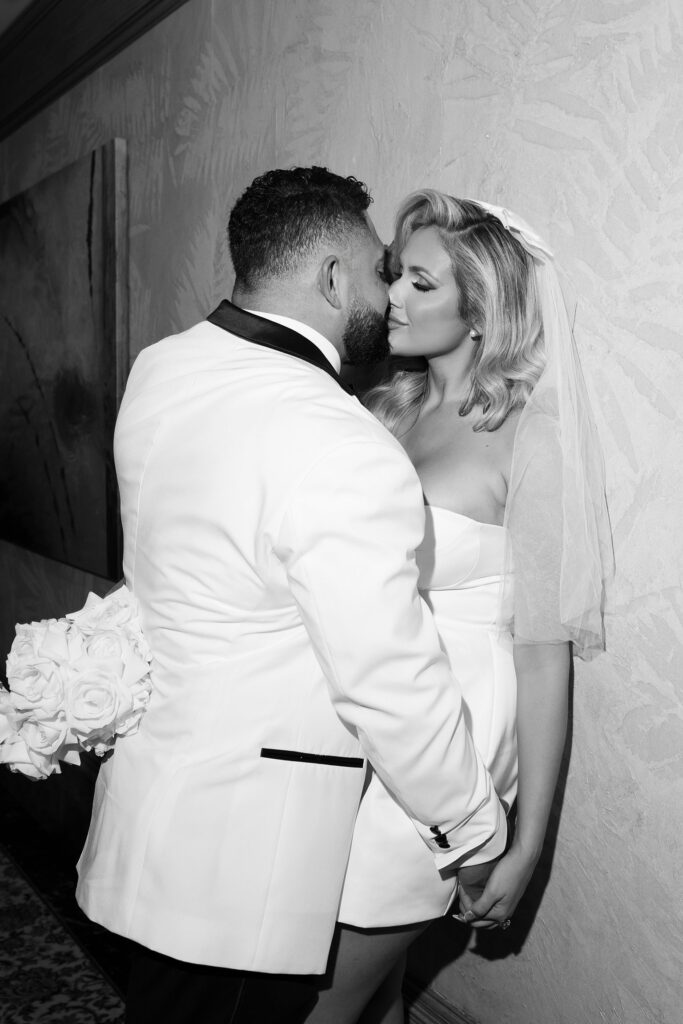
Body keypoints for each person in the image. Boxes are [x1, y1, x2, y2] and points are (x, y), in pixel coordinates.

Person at [75, 168, 509, 1024]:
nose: (387, 293)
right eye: (382, 270)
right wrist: (473, 832)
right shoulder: (338, 439)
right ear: (332, 278)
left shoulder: (161, 367)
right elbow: (383, 675)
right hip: (247, 863)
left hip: (153, 812)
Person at [307, 192, 613, 1024]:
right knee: (371, 992)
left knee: (326, 997)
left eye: (419, 283)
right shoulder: (386, 412)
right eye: (392, 275)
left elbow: (543, 652)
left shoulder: (526, 435)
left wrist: (525, 846)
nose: (391, 297)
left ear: (479, 311)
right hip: (364, 720)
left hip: (457, 742)